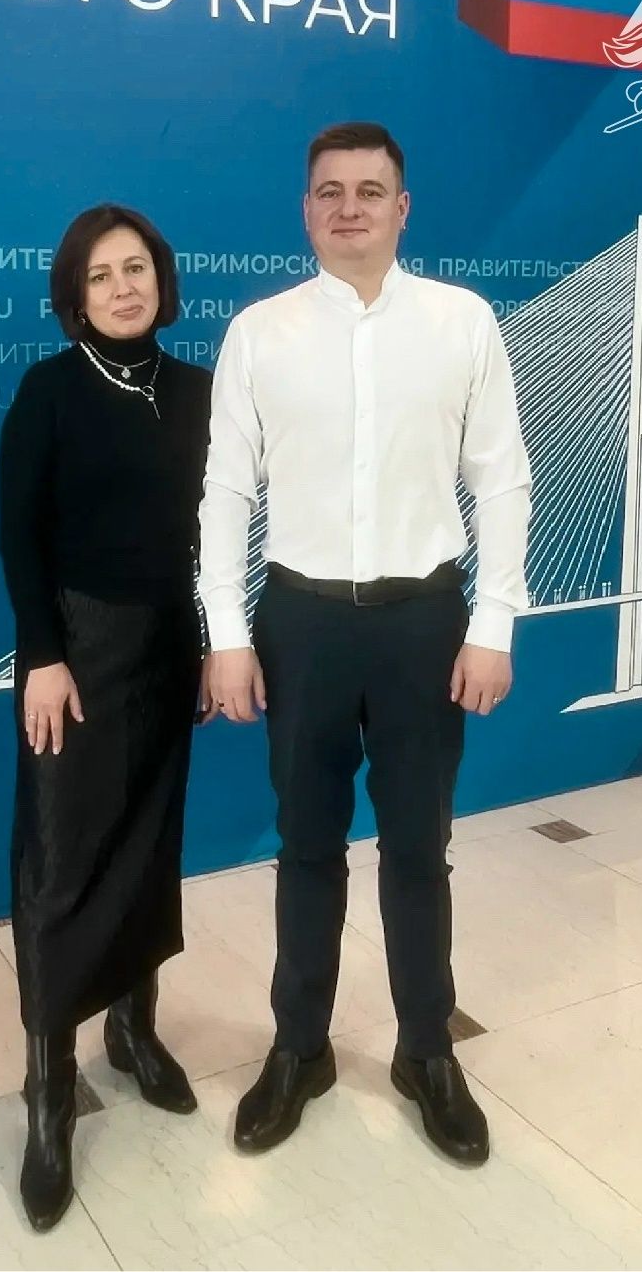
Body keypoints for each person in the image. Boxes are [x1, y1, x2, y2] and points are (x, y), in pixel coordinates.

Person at [198, 123, 531, 1163]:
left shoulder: (463, 322)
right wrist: (226, 633)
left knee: (419, 849)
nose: (350, 208)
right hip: (299, 622)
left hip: (425, 623)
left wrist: (493, 623)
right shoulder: (259, 332)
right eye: (330, 191)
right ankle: (299, 1047)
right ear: (306, 209)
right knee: (305, 845)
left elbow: (502, 480)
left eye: (371, 190)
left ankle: (427, 1050)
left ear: (403, 208)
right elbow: (225, 491)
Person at [0, 204, 214, 1231]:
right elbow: (18, 536)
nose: (123, 287)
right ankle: (49, 1093)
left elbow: (217, 534)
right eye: (100, 275)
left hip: (172, 642)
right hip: (77, 651)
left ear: (161, 280)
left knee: (148, 841)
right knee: (60, 861)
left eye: (136, 269)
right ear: (75, 298)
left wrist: (215, 643)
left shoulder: (200, 389)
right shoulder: (49, 390)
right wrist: (42, 657)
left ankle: (133, 1030)